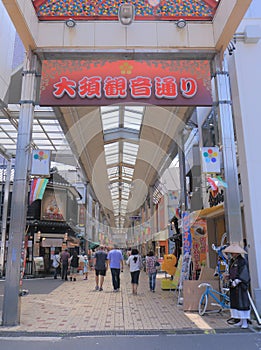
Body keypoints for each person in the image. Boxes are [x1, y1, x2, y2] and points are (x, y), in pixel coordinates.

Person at [224, 242, 250, 329]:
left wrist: (238, 280)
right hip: (233, 284)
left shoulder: (242, 261)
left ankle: (245, 321)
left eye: (233, 253)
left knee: (242, 302)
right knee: (235, 302)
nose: (231, 254)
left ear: (237, 253)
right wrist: (229, 277)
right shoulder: (232, 261)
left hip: (240, 285)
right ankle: (239, 320)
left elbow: (244, 272)